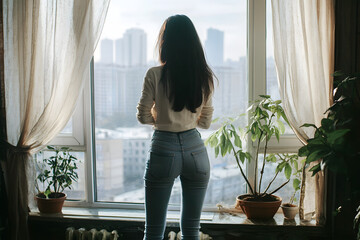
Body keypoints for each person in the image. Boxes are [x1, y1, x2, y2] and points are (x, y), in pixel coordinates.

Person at [137, 14, 215, 240]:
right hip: (196, 150)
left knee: (153, 231)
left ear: (165, 42)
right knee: (192, 230)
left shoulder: (155, 74)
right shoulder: (204, 76)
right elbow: (206, 122)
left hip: (163, 147)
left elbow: (142, 116)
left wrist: (161, 120)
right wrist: (188, 121)